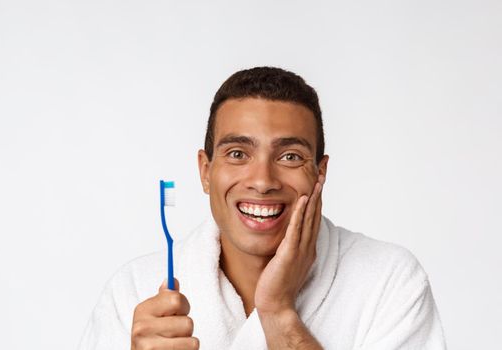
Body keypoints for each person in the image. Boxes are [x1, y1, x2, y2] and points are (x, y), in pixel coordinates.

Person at [78, 67, 447, 349]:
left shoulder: (390, 282)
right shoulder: (133, 291)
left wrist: (278, 312)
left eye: (289, 156)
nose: (262, 180)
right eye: (238, 154)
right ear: (206, 172)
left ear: (320, 173)